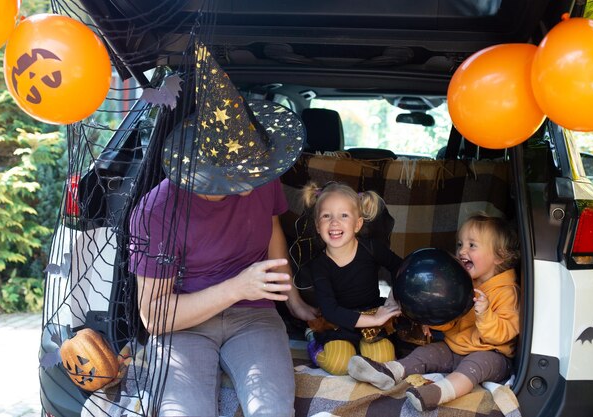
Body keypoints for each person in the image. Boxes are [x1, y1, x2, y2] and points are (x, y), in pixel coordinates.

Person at [128, 44, 316, 417]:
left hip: (255, 317)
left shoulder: (260, 174)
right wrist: (238, 286)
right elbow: (153, 315)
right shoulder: (157, 210)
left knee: (274, 411)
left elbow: (272, 230)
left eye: (253, 175)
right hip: (184, 325)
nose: (250, 187)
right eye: (237, 179)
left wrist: (292, 299)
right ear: (202, 171)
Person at [347, 213, 520, 411]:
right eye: (460, 244)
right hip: (455, 348)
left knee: (473, 367)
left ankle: (438, 393)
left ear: (499, 256)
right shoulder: (461, 281)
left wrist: (486, 313)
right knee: (425, 353)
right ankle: (389, 371)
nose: (462, 251)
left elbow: (503, 335)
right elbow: (451, 320)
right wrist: (434, 318)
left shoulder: (507, 291)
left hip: (493, 355)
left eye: (472, 245)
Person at [301, 181, 403, 375]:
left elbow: (401, 268)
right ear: (317, 225)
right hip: (337, 323)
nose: (334, 222)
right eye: (326, 216)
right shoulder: (319, 265)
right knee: (339, 364)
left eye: (344, 215)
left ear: (357, 224)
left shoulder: (371, 248)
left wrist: (392, 298)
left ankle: (360, 356)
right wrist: (373, 320)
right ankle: (314, 343)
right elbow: (331, 311)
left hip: (372, 312)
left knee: (383, 360)